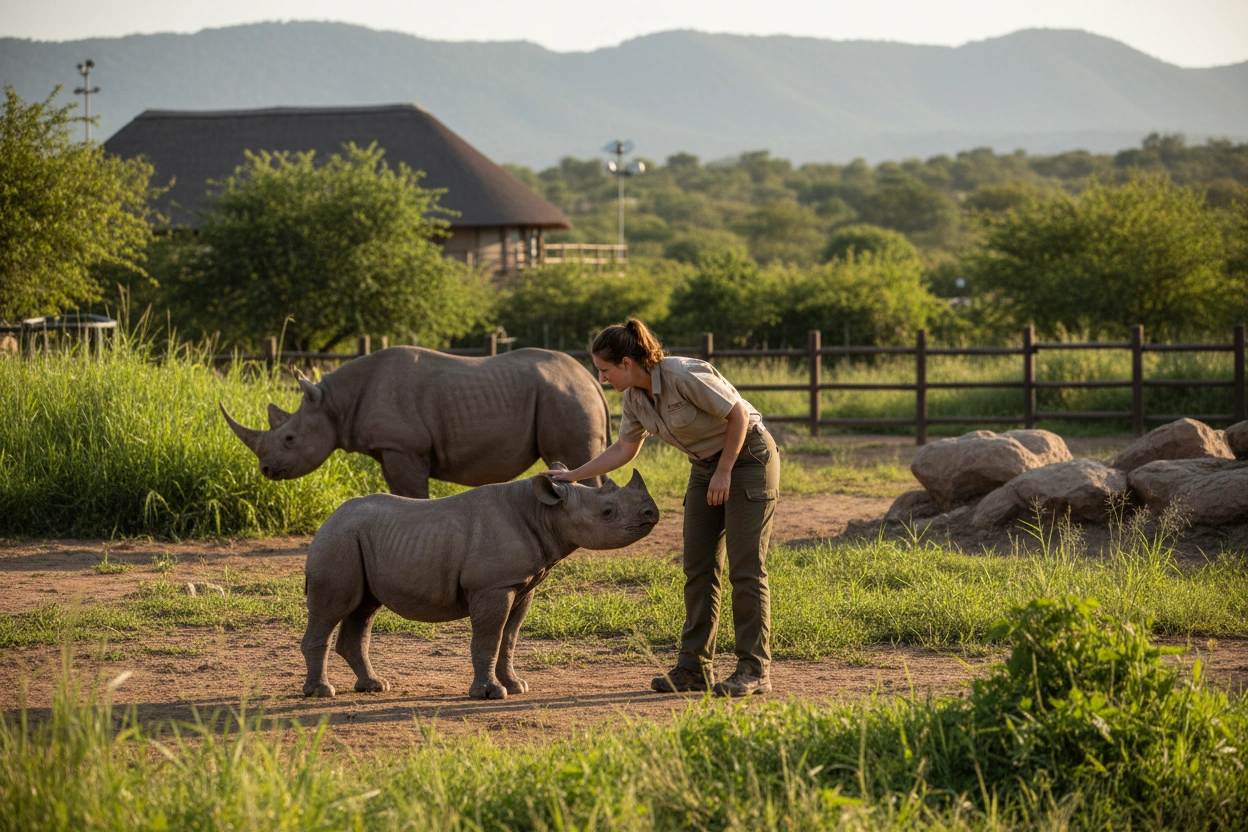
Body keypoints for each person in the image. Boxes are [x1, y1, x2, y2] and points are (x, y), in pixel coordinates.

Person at [542, 318, 780, 697]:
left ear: (626, 363)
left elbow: (736, 415)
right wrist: (573, 476)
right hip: (705, 467)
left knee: (746, 567)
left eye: (604, 370)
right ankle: (693, 668)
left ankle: (754, 669)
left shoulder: (683, 374)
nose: (601, 379)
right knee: (698, 567)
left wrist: (724, 472)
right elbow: (624, 449)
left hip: (748, 458)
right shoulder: (635, 398)